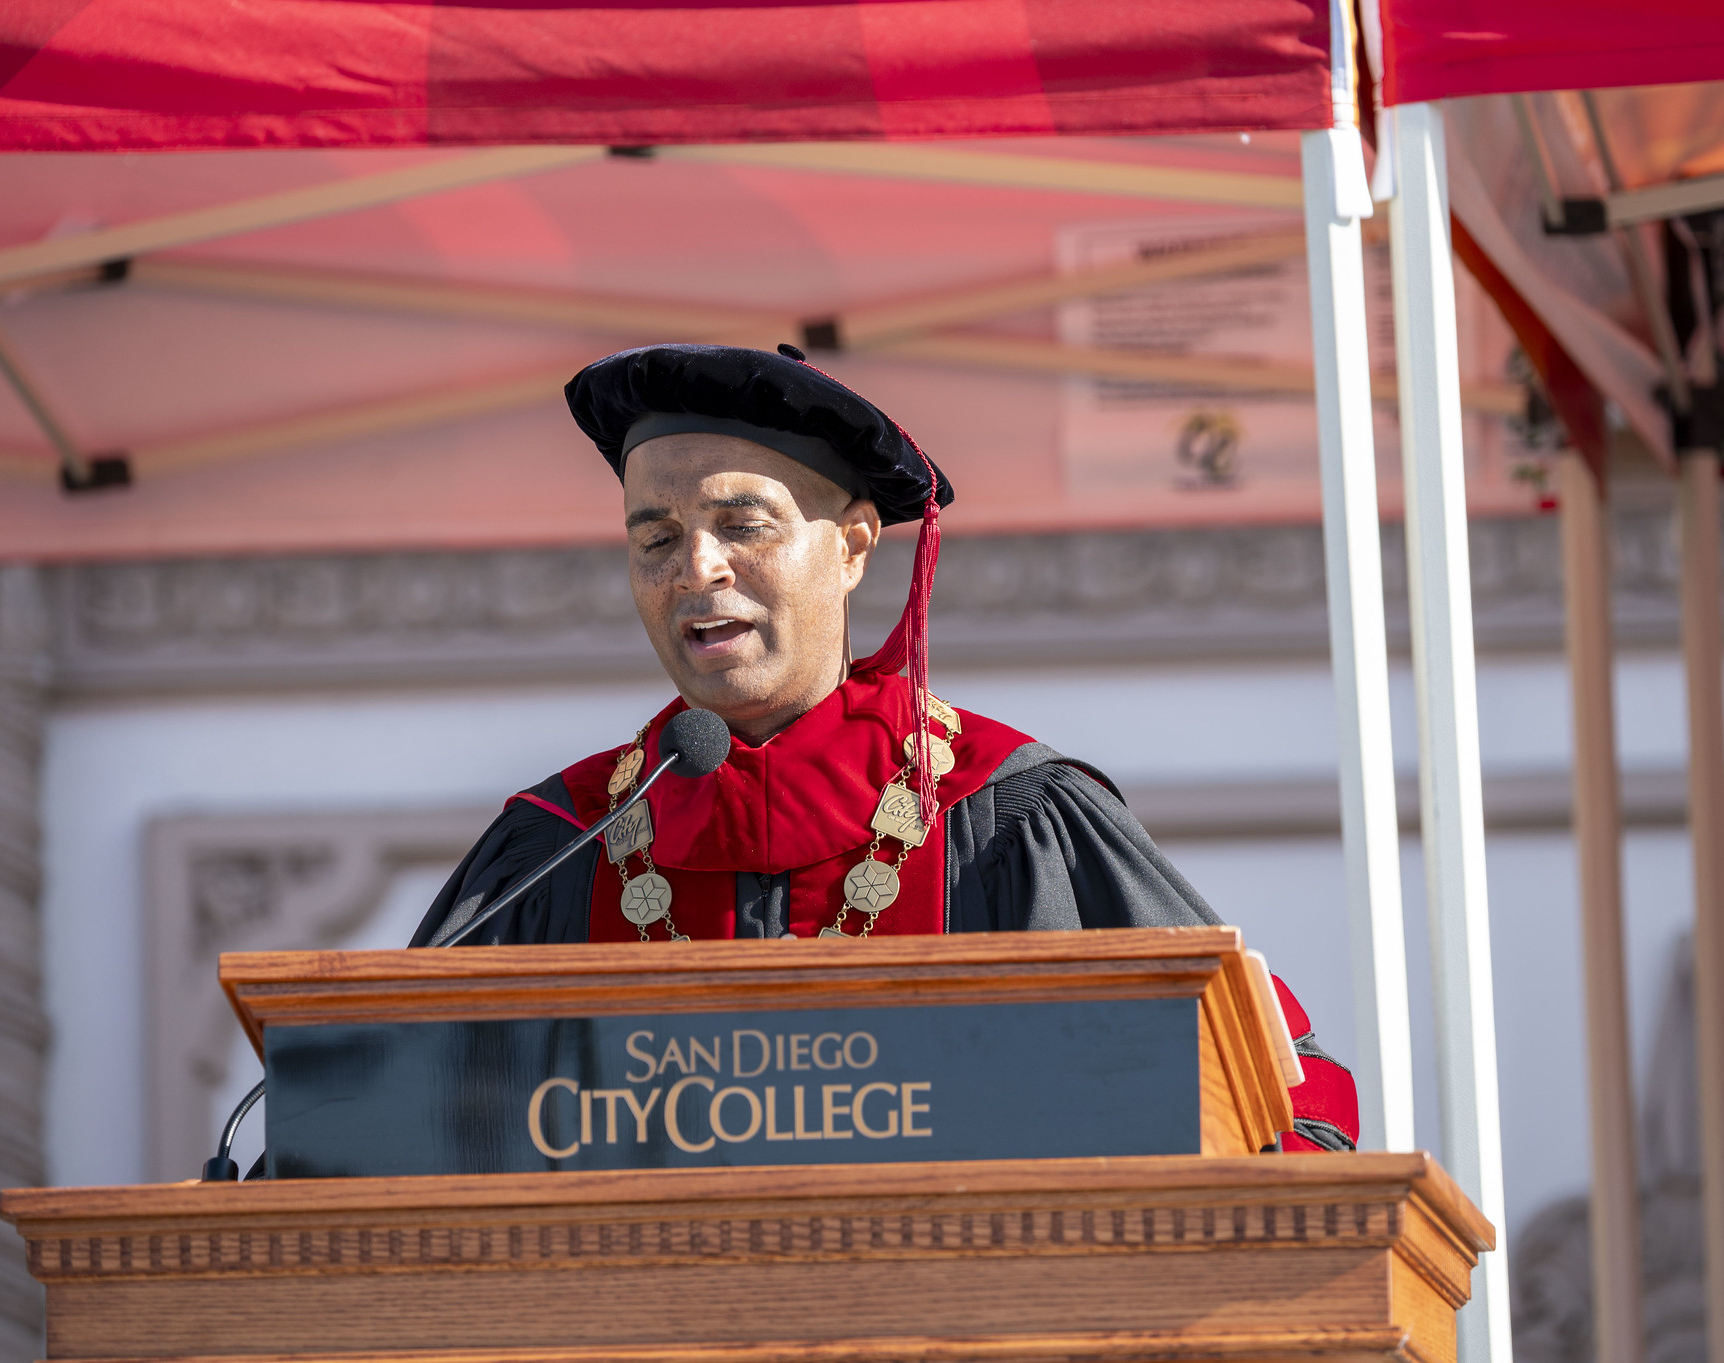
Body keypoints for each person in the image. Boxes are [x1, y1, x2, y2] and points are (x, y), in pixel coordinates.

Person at [411, 343, 1358, 1153]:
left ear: (855, 545)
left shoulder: (1006, 817)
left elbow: (1273, 1094)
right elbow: (389, 1119)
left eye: (742, 525)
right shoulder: (562, 844)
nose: (696, 568)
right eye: (656, 538)